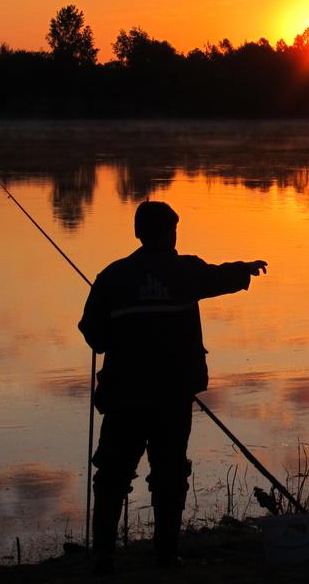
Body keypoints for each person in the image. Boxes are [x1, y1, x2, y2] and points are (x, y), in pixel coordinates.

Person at [78, 201, 267, 574]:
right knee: (169, 474)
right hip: (171, 398)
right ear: (169, 233)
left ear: (138, 233)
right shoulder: (184, 272)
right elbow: (217, 277)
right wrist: (245, 269)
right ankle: (166, 554)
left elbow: (93, 335)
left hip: (124, 398)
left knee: (113, 475)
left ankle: (103, 557)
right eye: (174, 229)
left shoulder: (112, 277)